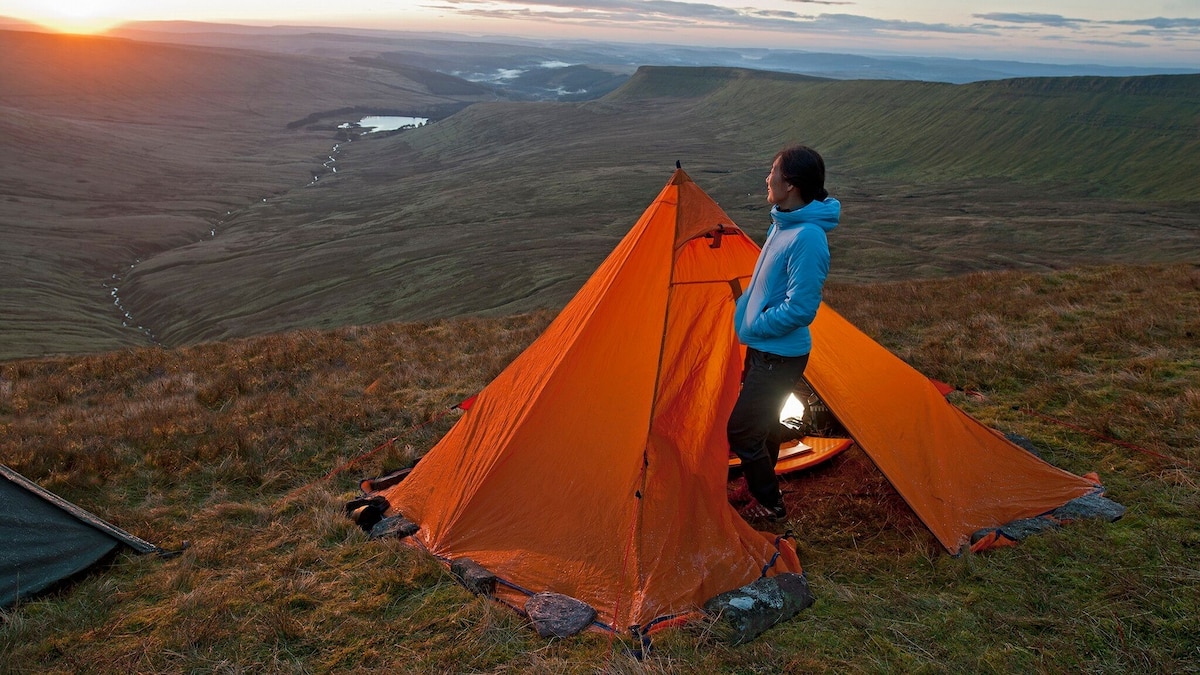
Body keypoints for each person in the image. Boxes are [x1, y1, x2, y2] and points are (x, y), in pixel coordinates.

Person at [728, 145, 841, 522]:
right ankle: (757, 483)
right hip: (764, 348)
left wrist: (755, 323)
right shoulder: (783, 224)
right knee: (763, 425)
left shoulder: (807, 237)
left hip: (781, 354)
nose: (767, 178)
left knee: (742, 431)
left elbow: (801, 308)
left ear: (789, 184)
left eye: (773, 171)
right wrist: (746, 310)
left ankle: (771, 505)